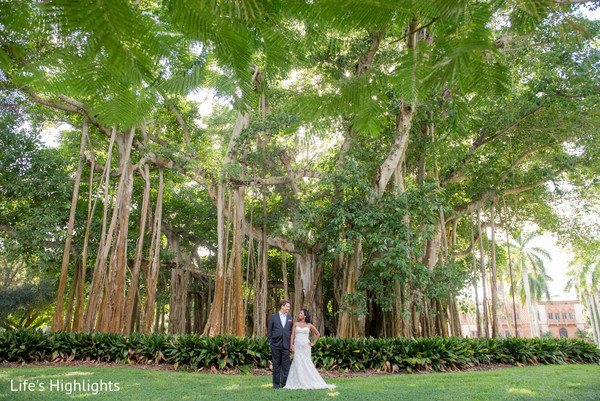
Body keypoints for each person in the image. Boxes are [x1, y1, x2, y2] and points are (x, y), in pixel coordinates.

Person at [284, 309, 336, 390]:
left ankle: (309, 380)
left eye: (300, 313)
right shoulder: (296, 324)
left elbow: (318, 334)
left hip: (306, 347)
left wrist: (313, 343)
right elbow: (292, 335)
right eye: (299, 313)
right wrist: (291, 345)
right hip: (297, 346)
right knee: (297, 362)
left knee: (306, 362)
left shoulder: (309, 325)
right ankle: (298, 381)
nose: (299, 314)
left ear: (305, 315)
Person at [267, 299, 293, 389]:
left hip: (286, 345)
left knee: (286, 366)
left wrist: (291, 344)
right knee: (276, 365)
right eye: (287, 306)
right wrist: (270, 342)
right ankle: (276, 385)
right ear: (282, 306)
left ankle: (284, 384)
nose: (288, 308)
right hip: (275, 344)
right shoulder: (273, 317)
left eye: (289, 307)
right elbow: (269, 330)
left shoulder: (290, 318)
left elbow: (291, 332)